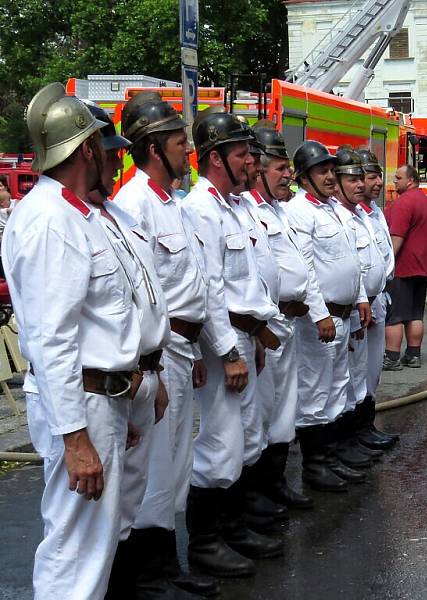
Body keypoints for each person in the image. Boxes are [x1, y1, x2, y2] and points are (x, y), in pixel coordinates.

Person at [3, 82, 149, 599]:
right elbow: (51, 339)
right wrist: (75, 437)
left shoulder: (75, 213)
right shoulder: (49, 220)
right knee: (75, 552)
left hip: (99, 399)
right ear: (87, 148)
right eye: (107, 150)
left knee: (95, 544)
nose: (115, 163)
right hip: (80, 404)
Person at [112, 92, 220, 597]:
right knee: (155, 468)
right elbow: (141, 294)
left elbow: (186, 282)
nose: (188, 152)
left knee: (174, 464)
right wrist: (148, 367)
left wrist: (195, 352)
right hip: (159, 353)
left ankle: (166, 567)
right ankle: (149, 575)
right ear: (154, 147)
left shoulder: (168, 202)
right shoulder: (134, 204)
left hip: (181, 350)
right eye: (180, 143)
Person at [180, 109, 283, 578]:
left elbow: (254, 280)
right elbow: (210, 287)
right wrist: (228, 351)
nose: (252, 162)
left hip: (246, 336)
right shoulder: (200, 210)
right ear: (216, 158)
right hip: (224, 341)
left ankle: (234, 527)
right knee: (220, 443)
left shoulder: (236, 207)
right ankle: (205, 542)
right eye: (243, 154)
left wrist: (258, 334)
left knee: (245, 437)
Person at [284, 140, 371, 492]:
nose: (331, 176)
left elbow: (350, 258)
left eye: (331, 169)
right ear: (305, 178)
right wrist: (319, 314)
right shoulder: (299, 211)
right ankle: (315, 467)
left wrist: (362, 297)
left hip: (345, 313)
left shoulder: (332, 208)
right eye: (322, 171)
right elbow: (305, 268)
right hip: (323, 319)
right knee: (315, 394)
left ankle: (333, 457)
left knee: (337, 388)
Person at [240, 125, 314, 510]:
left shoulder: (276, 212)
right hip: (264, 326)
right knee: (259, 413)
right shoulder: (248, 211)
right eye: (281, 168)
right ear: (260, 170)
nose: (289, 175)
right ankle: (255, 494)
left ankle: (275, 481)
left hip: (287, 323)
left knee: (285, 409)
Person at [328, 148, 387, 468]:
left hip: (370, 302)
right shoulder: (339, 215)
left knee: (366, 373)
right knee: (345, 380)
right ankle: (345, 442)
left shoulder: (366, 213)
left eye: (366, 177)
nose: (365, 184)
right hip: (346, 309)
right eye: (356, 178)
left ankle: (362, 431)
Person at [352, 148, 400, 449]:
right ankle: (356, 431)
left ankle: (366, 425)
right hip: (362, 303)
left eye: (378, 176)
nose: (378, 182)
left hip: (379, 298)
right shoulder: (352, 213)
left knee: (372, 370)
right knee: (355, 373)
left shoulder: (374, 211)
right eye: (371, 176)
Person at [383, 165, 427, 370]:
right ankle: (413, 355)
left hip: (403, 267)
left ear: (411, 181)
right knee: (415, 314)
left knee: (394, 315)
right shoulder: (426, 201)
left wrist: (385, 266)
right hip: (422, 267)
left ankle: (392, 357)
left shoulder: (403, 203)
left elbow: (396, 238)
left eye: (398, 178)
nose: (394, 181)